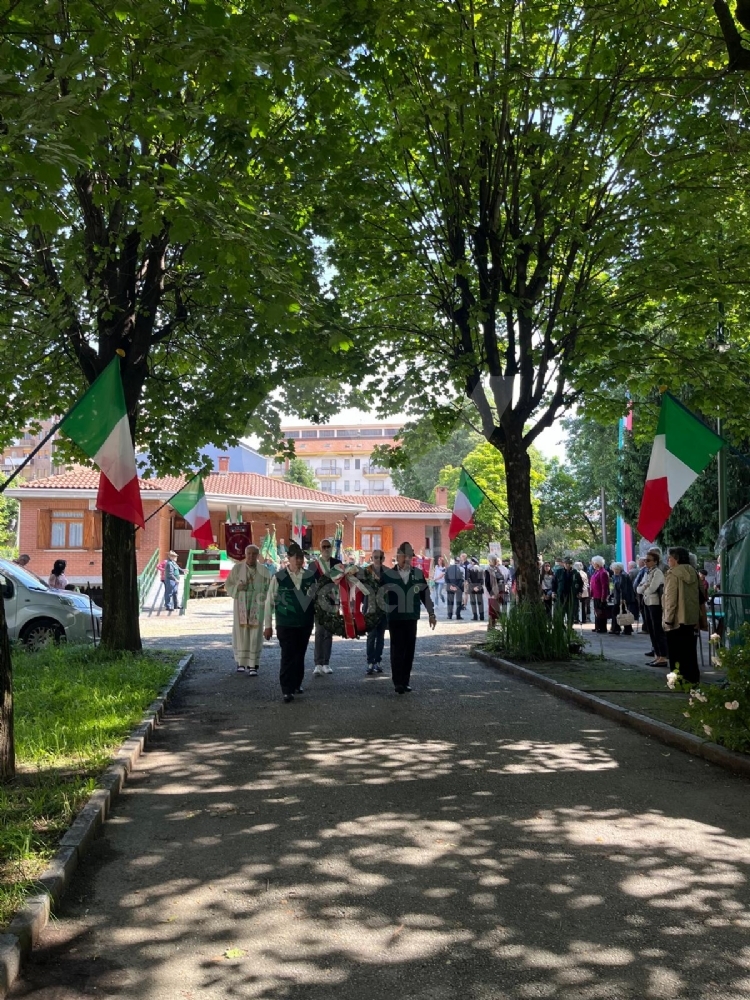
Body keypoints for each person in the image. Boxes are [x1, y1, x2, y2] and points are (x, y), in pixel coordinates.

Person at [263, 541, 321, 702]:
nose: (299, 560)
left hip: (304, 623)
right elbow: (269, 601)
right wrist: (267, 625)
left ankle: (297, 683)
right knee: (288, 654)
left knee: (300, 654)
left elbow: (316, 599)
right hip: (285, 623)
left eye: (301, 557)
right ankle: (287, 689)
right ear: (289, 558)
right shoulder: (279, 577)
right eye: (296, 557)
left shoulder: (310, 576)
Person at [382, 541, 436, 693]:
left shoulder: (417, 574)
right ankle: (397, 682)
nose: (406, 559)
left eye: (409, 556)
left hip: (411, 617)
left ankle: (405, 681)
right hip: (395, 618)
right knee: (397, 649)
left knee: (409, 650)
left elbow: (425, 596)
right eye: (404, 556)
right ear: (397, 556)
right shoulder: (388, 575)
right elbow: (376, 594)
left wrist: (431, 614)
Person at [225, 544, 272, 675]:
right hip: (241, 606)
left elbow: (270, 589)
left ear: (258, 555)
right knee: (240, 632)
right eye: (249, 554)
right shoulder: (237, 568)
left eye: (254, 554)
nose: (251, 556)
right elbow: (228, 585)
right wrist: (237, 588)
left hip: (257, 606)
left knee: (255, 634)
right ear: (245, 554)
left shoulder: (264, 571)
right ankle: (241, 662)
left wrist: (266, 601)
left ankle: (253, 665)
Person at [662, 546, 701, 684]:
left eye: (670, 557)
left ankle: (677, 679)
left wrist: (668, 618)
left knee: (675, 651)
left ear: (676, 559)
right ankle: (692, 677)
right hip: (690, 617)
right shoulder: (694, 572)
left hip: (676, 619)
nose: (668, 560)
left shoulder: (672, 574)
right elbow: (701, 594)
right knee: (689, 650)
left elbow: (670, 598)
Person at [311, 538, 343, 676]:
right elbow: (310, 584)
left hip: (332, 601)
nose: (326, 549)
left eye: (328, 546)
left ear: (331, 548)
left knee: (328, 632)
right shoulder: (314, 565)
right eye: (323, 546)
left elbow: (343, 582)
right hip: (318, 602)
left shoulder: (337, 563)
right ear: (320, 548)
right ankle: (317, 663)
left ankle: (326, 663)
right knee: (319, 632)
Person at [637, 550, 668, 666]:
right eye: (645, 560)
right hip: (647, 602)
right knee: (651, 630)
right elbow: (638, 588)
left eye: (648, 560)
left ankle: (663, 656)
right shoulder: (647, 572)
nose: (645, 562)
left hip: (655, 603)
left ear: (655, 561)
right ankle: (657, 655)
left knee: (657, 630)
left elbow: (652, 588)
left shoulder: (658, 572)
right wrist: (645, 586)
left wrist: (645, 587)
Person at [364, 549, 387, 675]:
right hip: (370, 609)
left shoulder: (388, 572)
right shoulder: (366, 572)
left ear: (383, 559)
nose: (377, 559)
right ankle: (370, 662)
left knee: (380, 637)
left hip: (383, 610)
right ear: (371, 558)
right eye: (375, 557)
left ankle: (377, 661)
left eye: (379, 557)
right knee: (371, 637)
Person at [553, 557, 583, 628]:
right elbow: (554, 583)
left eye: (569, 563)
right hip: (561, 596)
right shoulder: (559, 572)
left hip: (571, 596)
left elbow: (580, 583)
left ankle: (570, 628)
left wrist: (579, 592)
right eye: (566, 563)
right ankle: (560, 627)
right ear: (563, 564)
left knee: (571, 613)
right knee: (560, 613)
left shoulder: (575, 573)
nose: (567, 565)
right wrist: (553, 592)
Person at [610, 562, 636, 635]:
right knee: (623, 612)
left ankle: (616, 629)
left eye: (615, 569)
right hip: (619, 598)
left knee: (616, 612)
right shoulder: (617, 576)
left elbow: (623, 589)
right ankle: (627, 629)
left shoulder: (623, 576)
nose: (614, 570)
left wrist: (622, 599)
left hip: (622, 598)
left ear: (619, 569)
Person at [589, 556, 611, 634]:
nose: (592, 564)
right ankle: (597, 626)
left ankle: (602, 628)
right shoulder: (596, 571)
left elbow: (604, 586)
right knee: (596, 612)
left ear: (597, 563)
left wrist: (603, 597)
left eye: (593, 563)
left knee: (601, 612)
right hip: (595, 595)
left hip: (600, 596)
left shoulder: (603, 572)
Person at [485, 555, 507, 625]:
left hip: (500, 592)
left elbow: (501, 579)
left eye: (495, 560)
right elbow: (487, 584)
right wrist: (492, 594)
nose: (495, 562)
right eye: (493, 560)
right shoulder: (487, 570)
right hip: (493, 593)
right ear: (490, 561)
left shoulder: (498, 569)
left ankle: (495, 627)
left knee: (497, 611)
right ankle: (491, 628)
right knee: (492, 612)